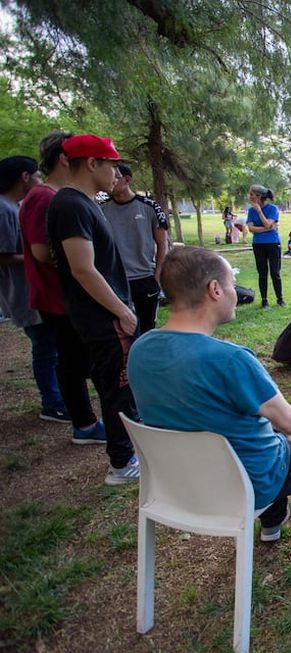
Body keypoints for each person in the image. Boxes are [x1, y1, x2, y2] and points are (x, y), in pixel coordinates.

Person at [128, 247, 291, 566]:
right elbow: (290, 421)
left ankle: (272, 523)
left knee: (268, 438)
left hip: (179, 486)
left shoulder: (140, 349)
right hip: (247, 483)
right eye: (231, 286)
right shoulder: (230, 359)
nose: (236, 294)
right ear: (214, 290)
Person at [46, 134, 142, 485]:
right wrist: (122, 311)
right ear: (91, 163)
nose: (117, 173)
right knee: (119, 384)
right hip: (104, 317)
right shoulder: (71, 205)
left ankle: (127, 450)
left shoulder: (81, 203)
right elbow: (83, 268)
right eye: (112, 164)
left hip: (101, 315)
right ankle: (122, 462)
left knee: (114, 382)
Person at [19, 132, 106, 445]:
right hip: (59, 298)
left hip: (64, 297)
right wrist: (84, 258)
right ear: (65, 159)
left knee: (75, 359)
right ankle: (84, 423)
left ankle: (85, 418)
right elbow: (42, 251)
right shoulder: (46, 197)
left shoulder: (56, 196)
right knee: (72, 360)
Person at [0, 155, 67, 423]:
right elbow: (3, 254)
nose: (40, 181)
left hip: (29, 288)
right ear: (24, 177)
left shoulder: (14, 206)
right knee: (45, 347)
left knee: (49, 346)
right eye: (37, 176)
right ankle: (52, 403)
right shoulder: (4, 209)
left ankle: (56, 397)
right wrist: (35, 254)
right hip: (22, 291)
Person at [101, 163, 170, 335]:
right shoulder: (100, 208)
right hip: (114, 280)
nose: (111, 181)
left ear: (127, 180)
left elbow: (163, 244)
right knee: (120, 331)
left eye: (116, 178)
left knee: (146, 329)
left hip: (145, 278)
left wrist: (158, 276)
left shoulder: (150, 207)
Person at [246, 184, 284, 308]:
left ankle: (280, 299)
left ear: (259, 196)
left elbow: (268, 223)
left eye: (252, 194)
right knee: (262, 273)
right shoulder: (250, 211)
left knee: (275, 272)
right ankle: (264, 300)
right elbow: (251, 228)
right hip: (258, 244)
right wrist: (267, 228)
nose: (250, 196)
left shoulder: (273, 209)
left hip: (273, 243)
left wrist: (259, 211)